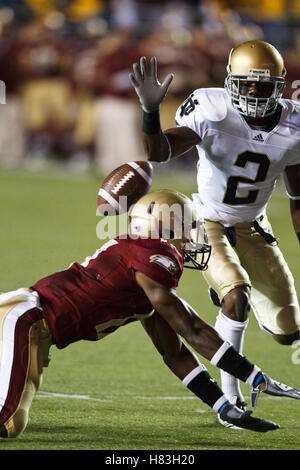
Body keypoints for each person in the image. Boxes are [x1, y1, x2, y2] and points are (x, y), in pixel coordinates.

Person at [1, 188, 300, 438]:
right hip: (26, 321)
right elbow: (192, 329)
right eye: (186, 226)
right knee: (8, 422)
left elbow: (176, 354)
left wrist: (223, 407)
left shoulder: (144, 279)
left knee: (14, 420)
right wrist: (256, 377)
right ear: (163, 227)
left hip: (34, 332)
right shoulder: (152, 257)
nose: (192, 237)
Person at [129, 40, 300, 427]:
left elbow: (298, 193)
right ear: (230, 82)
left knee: (288, 334)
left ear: (280, 85)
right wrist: (151, 111)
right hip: (206, 220)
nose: (255, 92)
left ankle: (231, 289)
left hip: (254, 226)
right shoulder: (213, 109)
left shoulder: (294, 125)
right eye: (247, 84)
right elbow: (159, 153)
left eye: (264, 85)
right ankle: (230, 399)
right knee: (235, 297)